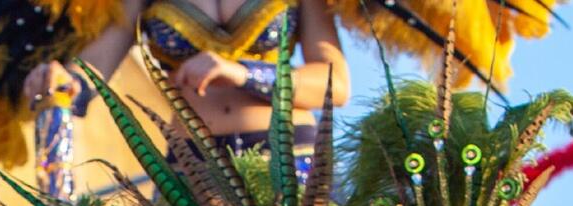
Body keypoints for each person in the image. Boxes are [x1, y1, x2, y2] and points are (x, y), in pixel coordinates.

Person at [23, 0, 350, 164]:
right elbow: (93, 67)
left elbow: (335, 84)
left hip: (289, 159)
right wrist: (62, 81)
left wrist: (243, 73)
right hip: (192, 164)